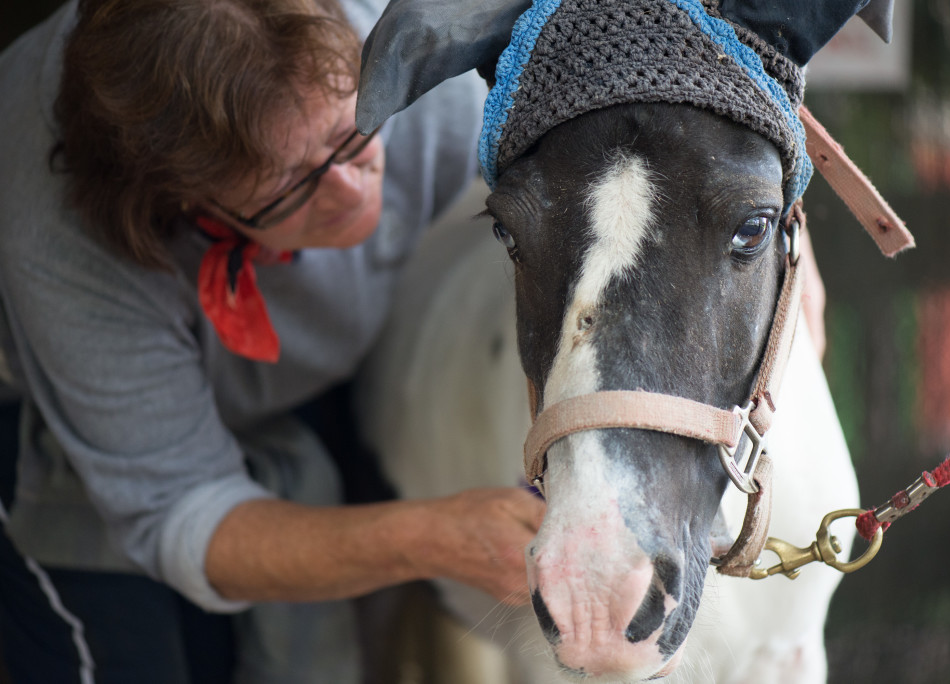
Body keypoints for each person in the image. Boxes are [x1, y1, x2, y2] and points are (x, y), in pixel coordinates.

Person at [0, 0, 545, 682]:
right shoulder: (63, 236)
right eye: (292, 185)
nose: (351, 191)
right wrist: (429, 538)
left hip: (350, 364)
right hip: (89, 443)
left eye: (350, 137)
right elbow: (182, 512)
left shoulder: (402, 43)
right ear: (187, 205)